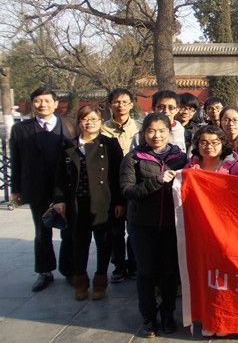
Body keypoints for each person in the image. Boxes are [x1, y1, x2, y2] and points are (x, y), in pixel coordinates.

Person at [120, 113, 188, 338]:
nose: (156, 135)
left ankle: (168, 314)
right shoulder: (133, 158)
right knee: (146, 272)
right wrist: (156, 181)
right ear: (143, 133)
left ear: (169, 132)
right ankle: (148, 317)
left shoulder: (180, 158)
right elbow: (128, 190)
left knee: (170, 272)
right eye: (151, 131)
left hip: (171, 225)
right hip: (142, 225)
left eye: (161, 131)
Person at [53, 106, 125, 300]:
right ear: (79, 122)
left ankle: (100, 281)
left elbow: (118, 175)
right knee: (79, 243)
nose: (89, 123)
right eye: (85, 119)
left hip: (103, 202)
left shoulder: (109, 144)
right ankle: (80, 281)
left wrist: (120, 202)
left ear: (101, 122)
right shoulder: (68, 146)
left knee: (104, 242)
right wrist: (59, 199)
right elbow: (59, 176)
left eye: (94, 119)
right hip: (77, 203)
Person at [9, 87, 75, 292]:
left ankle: (69, 269)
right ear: (33, 104)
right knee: (42, 231)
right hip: (37, 187)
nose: (42, 104)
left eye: (47, 101)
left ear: (56, 104)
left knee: (69, 231)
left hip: (66, 187)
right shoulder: (21, 129)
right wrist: (15, 188)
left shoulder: (70, 125)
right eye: (38, 101)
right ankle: (45, 271)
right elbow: (16, 161)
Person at [101, 87, 140, 283]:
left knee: (134, 227)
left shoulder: (140, 128)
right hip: (111, 183)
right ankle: (118, 265)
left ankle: (134, 264)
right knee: (115, 230)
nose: (120, 105)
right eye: (116, 102)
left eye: (125, 102)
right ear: (110, 105)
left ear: (131, 105)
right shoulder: (102, 129)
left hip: (134, 182)